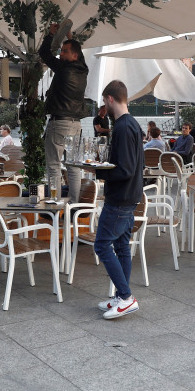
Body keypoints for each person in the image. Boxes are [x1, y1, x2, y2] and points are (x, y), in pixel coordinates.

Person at [92, 80, 144, 320]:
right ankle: (120, 296)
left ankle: (125, 296)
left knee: (102, 245)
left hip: (120, 197)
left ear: (110, 99)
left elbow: (124, 169)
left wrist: (99, 171)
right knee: (122, 247)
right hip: (131, 196)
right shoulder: (133, 124)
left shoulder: (122, 127)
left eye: (105, 102)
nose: (105, 107)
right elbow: (132, 167)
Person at [39, 23, 88, 203]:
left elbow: (44, 54)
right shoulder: (83, 70)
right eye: (62, 51)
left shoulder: (64, 68)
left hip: (60, 122)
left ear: (73, 56)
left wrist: (51, 34)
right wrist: (69, 37)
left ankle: (55, 206)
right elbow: (79, 52)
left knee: (53, 165)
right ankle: (74, 206)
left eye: (65, 51)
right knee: (74, 166)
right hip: (76, 124)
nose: (61, 54)